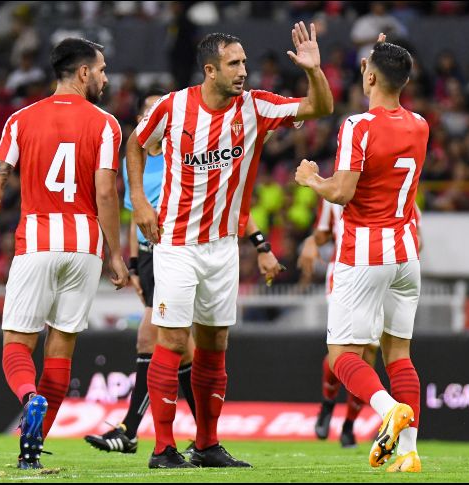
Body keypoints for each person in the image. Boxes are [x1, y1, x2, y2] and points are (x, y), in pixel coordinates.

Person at [126, 23, 333, 469]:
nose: (244, 71)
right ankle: (163, 449)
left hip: (223, 247)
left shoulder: (256, 106)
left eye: (244, 62)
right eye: (234, 64)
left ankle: (206, 444)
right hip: (177, 243)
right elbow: (135, 144)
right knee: (172, 339)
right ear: (210, 69)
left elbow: (320, 106)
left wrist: (314, 71)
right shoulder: (174, 106)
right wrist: (140, 201)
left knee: (215, 344)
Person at [85, 90, 283, 455]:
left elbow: (228, 203)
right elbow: (134, 217)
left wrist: (260, 244)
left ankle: (145, 430)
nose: (151, 118)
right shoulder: (140, 166)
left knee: (161, 341)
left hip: (182, 248)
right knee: (175, 345)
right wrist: (132, 265)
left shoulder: (185, 149)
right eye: (146, 111)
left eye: (155, 111)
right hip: (153, 258)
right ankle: (197, 436)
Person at [0, 38, 128, 470]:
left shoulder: (21, 120)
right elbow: (107, 192)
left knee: (17, 345)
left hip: (36, 242)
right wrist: (116, 254)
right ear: (82, 73)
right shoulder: (106, 124)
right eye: (101, 70)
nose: (106, 78)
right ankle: (30, 454)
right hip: (85, 247)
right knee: (61, 351)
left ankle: (28, 398)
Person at [295, 33, 427, 473]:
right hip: (407, 251)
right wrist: (380, 55)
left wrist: (312, 179)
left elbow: (343, 190)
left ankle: (388, 409)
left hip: (365, 249)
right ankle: (408, 453)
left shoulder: (358, 126)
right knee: (399, 355)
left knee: (342, 355)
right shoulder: (420, 125)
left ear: (369, 75)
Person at [302, 200, 422, 449]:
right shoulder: (399, 183)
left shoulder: (340, 184)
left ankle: (349, 425)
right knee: (356, 352)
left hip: (366, 265)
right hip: (348, 271)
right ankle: (329, 402)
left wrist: (312, 179)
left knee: (363, 353)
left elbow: (417, 230)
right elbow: (323, 231)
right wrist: (312, 241)